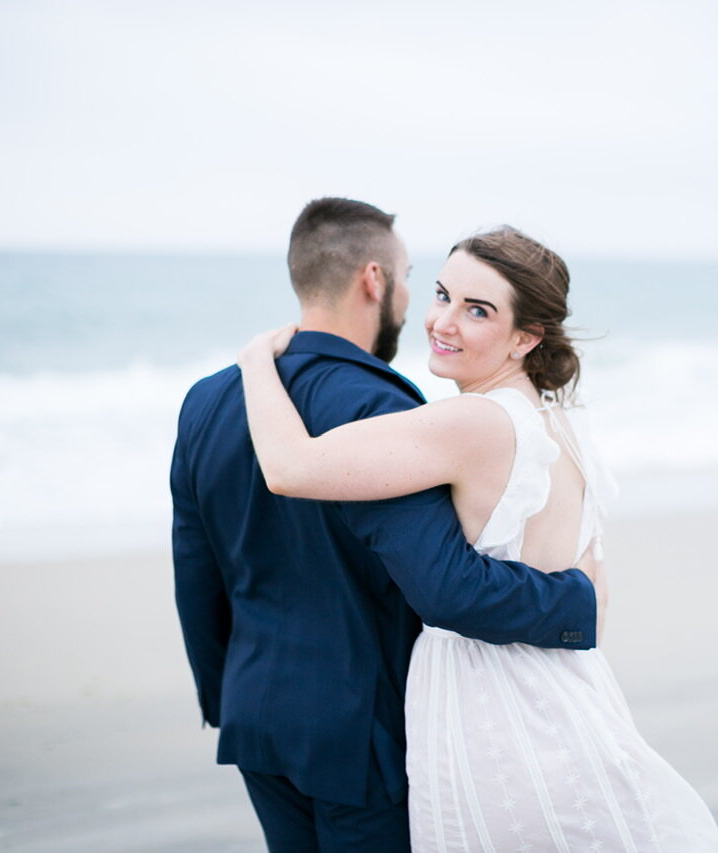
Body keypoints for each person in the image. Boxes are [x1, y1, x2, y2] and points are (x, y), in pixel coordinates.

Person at [238, 226, 718, 851]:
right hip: (570, 694)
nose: (442, 321)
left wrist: (256, 362)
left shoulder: (474, 421)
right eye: (441, 294)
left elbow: (290, 468)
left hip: (491, 709)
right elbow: (593, 591)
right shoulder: (564, 422)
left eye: (478, 311)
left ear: (527, 337)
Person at [171, 198, 598, 852]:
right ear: (375, 281)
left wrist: (227, 693)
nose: (429, 312)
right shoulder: (381, 404)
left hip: (257, 713)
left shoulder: (208, 399)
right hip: (361, 730)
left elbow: (195, 570)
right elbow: (442, 583)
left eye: (474, 307)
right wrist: (575, 598)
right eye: (418, 285)